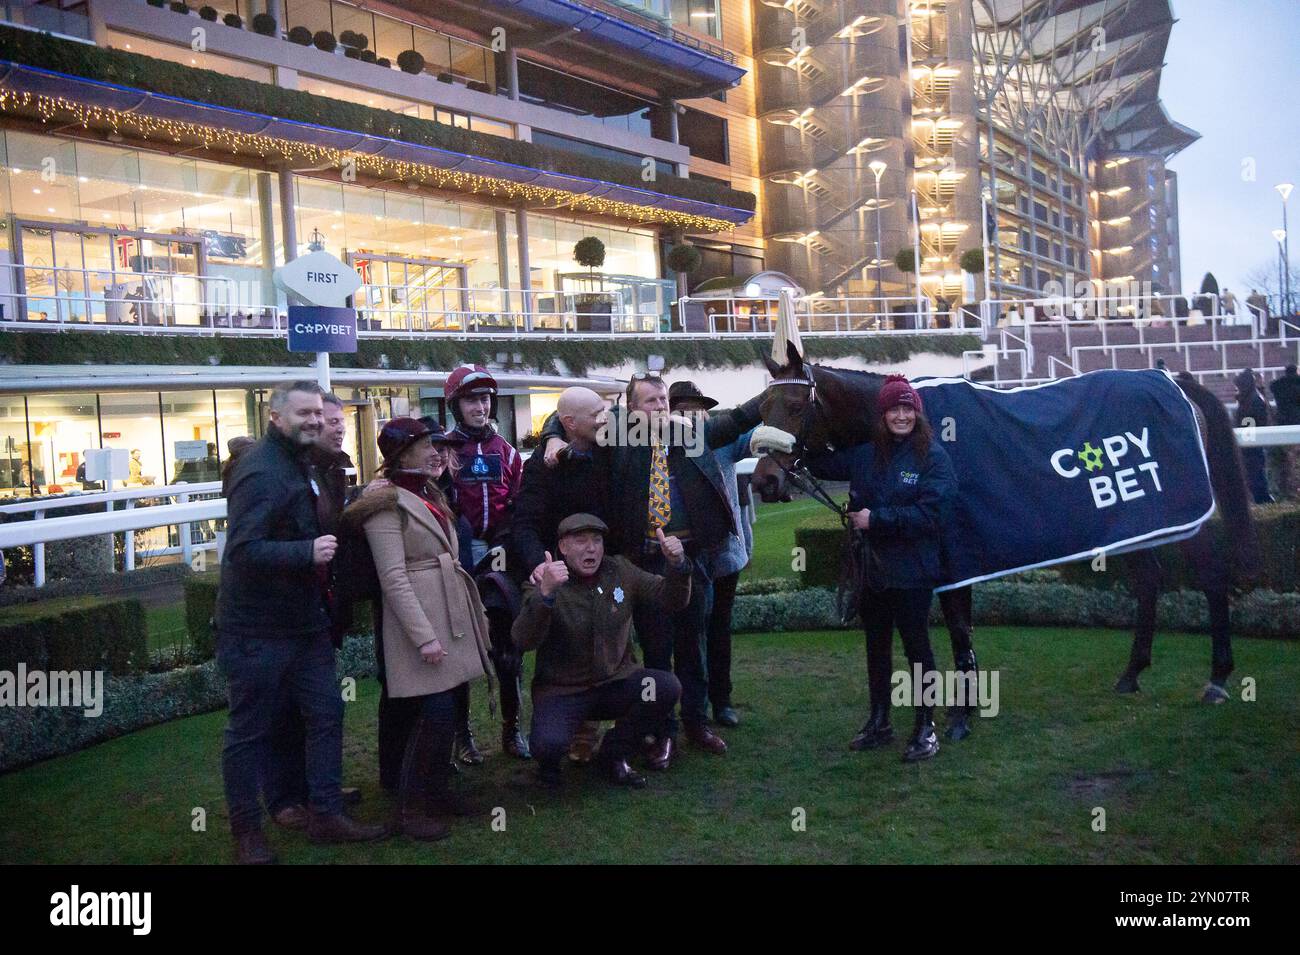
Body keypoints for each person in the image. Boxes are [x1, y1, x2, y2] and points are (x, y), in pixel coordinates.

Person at [537, 374, 764, 769]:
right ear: (630, 409)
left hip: (689, 559)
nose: (660, 407)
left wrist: (786, 383)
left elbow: (741, 418)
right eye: (650, 401)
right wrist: (551, 437)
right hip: (643, 562)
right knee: (657, 651)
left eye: (663, 399)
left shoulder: (690, 434)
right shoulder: (619, 440)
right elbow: (569, 417)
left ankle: (697, 724)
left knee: (694, 645)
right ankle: (664, 734)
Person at [215, 380, 385, 864]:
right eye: (303, 413)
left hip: (305, 623)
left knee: (326, 713)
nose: (314, 420)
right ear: (275, 418)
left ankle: (326, 813)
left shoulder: (303, 463)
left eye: (319, 412)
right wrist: (305, 552)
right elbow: (243, 551)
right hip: (255, 629)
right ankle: (247, 833)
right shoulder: (261, 470)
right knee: (250, 730)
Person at [343, 417, 497, 841]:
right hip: (420, 622)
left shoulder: (424, 492)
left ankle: (436, 792)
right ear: (402, 453)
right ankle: (411, 809)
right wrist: (423, 636)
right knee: (434, 714)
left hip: (445, 611)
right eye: (427, 445)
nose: (437, 452)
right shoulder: (385, 504)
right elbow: (393, 577)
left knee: (444, 711)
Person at [802, 374, 956, 762]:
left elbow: (933, 513)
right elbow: (819, 462)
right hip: (871, 571)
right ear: (882, 414)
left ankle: (926, 727)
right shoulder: (867, 453)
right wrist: (789, 432)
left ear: (917, 413)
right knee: (877, 648)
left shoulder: (933, 457)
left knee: (917, 649)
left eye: (907, 408)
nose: (901, 415)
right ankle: (879, 721)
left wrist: (879, 519)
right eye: (893, 409)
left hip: (911, 571)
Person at [513, 513, 687, 789]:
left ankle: (614, 751)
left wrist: (677, 565)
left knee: (664, 687)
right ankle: (549, 764)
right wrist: (544, 595)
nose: (591, 547)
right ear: (563, 547)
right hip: (563, 691)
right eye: (580, 541)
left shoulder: (620, 571)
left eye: (596, 540)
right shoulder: (543, 580)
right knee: (548, 744)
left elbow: (670, 599)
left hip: (615, 683)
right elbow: (523, 640)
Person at [260, 393, 363, 829]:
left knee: (322, 707)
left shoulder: (334, 469)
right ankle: (285, 798)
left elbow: (333, 528)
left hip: (318, 607)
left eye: (338, 420)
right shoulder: (277, 470)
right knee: (284, 707)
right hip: (277, 613)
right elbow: (252, 545)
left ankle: (319, 794)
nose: (335, 427)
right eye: (325, 419)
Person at [510, 386, 612, 763]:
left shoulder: (608, 444)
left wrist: (552, 431)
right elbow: (525, 523)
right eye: (597, 414)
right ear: (570, 423)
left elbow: (638, 421)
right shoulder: (543, 465)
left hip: (605, 567)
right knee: (564, 647)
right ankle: (559, 727)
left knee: (610, 643)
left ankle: (596, 732)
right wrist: (539, 563)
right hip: (561, 571)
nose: (606, 419)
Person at [443, 364, 525, 765]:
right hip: (462, 554)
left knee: (508, 645)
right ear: (456, 405)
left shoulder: (507, 451)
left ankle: (512, 730)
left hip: (502, 553)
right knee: (463, 646)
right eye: (473, 399)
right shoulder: (444, 452)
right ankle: (463, 736)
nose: (481, 406)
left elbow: (521, 500)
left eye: (485, 399)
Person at [668, 380, 752, 728]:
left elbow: (758, 430)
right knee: (689, 633)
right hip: (686, 554)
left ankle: (722, 701)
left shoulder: (722, 440)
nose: (691, 414)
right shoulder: (663, 444)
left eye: (697, 408)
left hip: (724, 554)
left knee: (719, 629)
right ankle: (693, 707)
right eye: (683, 408)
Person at [1234, 368, 1273, 504]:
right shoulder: (1252, 398)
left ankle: (1264, 501)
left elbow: (1247, 423)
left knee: (1256, 476)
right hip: (1252, 444)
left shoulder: (1252, 401)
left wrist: (1245, 442)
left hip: (1251, 445)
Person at [1270, 365, 1300, 500]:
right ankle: (1293, 491)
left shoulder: (1277, 386)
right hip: (1296, 424)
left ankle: (1288, 491)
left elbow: (1273, 385)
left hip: (1282, 426)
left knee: (1287, 461)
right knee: (1292, 462)